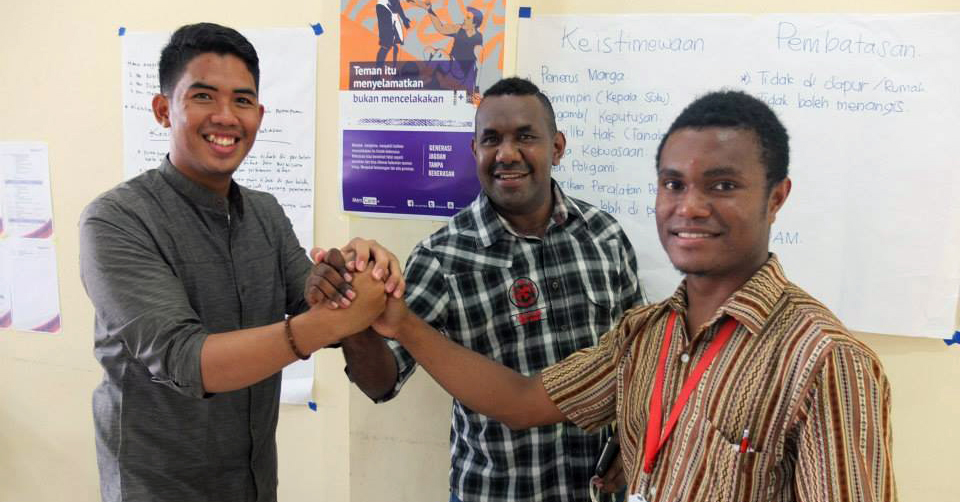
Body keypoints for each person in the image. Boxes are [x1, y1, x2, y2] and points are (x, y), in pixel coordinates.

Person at [355, 90, 897, 501]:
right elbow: (521, 402)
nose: (690, 207)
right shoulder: (646, 335)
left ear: (777, 197)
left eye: (723, 185)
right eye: (673, 184)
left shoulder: (827, 362)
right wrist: (398, 322)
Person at [79, 23, 398, 502]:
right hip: (158, 490)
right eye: (204, 97)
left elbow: (325, 309)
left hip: (253, 484)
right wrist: (335, 320)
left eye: (243, 101)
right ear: (164, 110)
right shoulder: (116, 220)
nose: (226, 117)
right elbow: (186, 359)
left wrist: (353, 274)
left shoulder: (266, 213)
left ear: (260, 114)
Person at [311, 77, 645, 502]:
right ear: (474, 152)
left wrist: (635, 432)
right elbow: (381, 383)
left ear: (557, 147)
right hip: (496, 492)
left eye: (525, 136)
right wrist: (354, 319)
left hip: (599, 490)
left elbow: (642, 357)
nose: (507, 153)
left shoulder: (605, 236)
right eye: (491, 139)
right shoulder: (442, 256)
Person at [375, 0, 411, 68]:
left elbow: (396, 4)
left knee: (395, 42)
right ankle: (376, 74)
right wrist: (404, 19)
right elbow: (395, 4)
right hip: (385, 9)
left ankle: (393, 70)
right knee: (386, 44)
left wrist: (404, 18)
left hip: (390, 10)